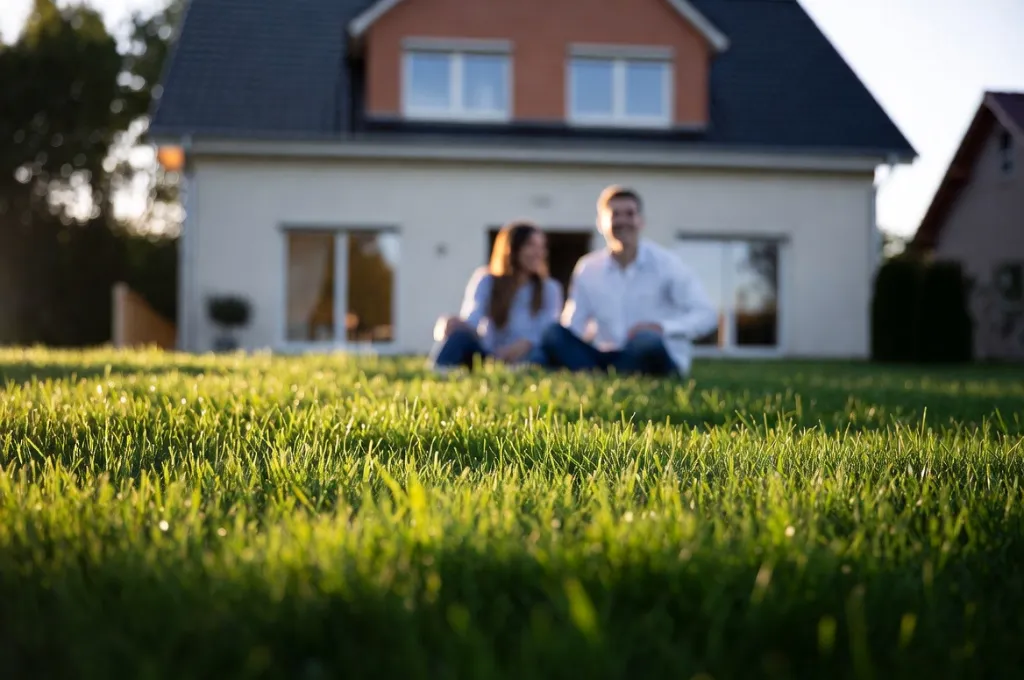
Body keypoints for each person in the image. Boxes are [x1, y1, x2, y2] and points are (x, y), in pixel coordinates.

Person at [540, 185, 718, 377]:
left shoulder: (668, 264)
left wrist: (662, 328)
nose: (622, 220)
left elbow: (707, 315)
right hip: (607, 356)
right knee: (553, 334)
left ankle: (601, 374)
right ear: (600, 223)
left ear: (641, 221)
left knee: (646, 340)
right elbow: (574, 324)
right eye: (615, 214)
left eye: (630, 214)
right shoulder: (588, 268)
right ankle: (606, 373)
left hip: (655, 355)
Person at [428, 220, 564, 372]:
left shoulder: (550, 288)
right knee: (459, 337)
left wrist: (524, 344)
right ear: (512, 248)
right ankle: (440, 370)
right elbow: (473, 319)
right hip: (490, 355)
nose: (538, 253)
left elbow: (548, 330)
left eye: (542, 247)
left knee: (540, 356)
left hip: (528, 354)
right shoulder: (486, 280)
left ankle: (518, 371)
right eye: (530, 245)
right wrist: (453, 324)